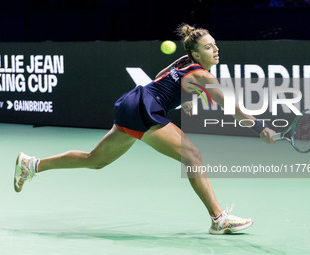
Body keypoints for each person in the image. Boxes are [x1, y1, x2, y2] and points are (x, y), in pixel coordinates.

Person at [14, 24, 276, 234]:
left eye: (215, 44)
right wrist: (261, 128)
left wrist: (174, 102)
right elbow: (231, 108)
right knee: (192, 156)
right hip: (144, 108)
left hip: (134, 101)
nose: (216, 49)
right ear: (197, 54)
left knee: (95, 160)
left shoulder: (184, 62)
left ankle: (31, 164)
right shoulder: (204, 76)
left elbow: (161, 78)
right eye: (209, 47)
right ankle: (219, 218)